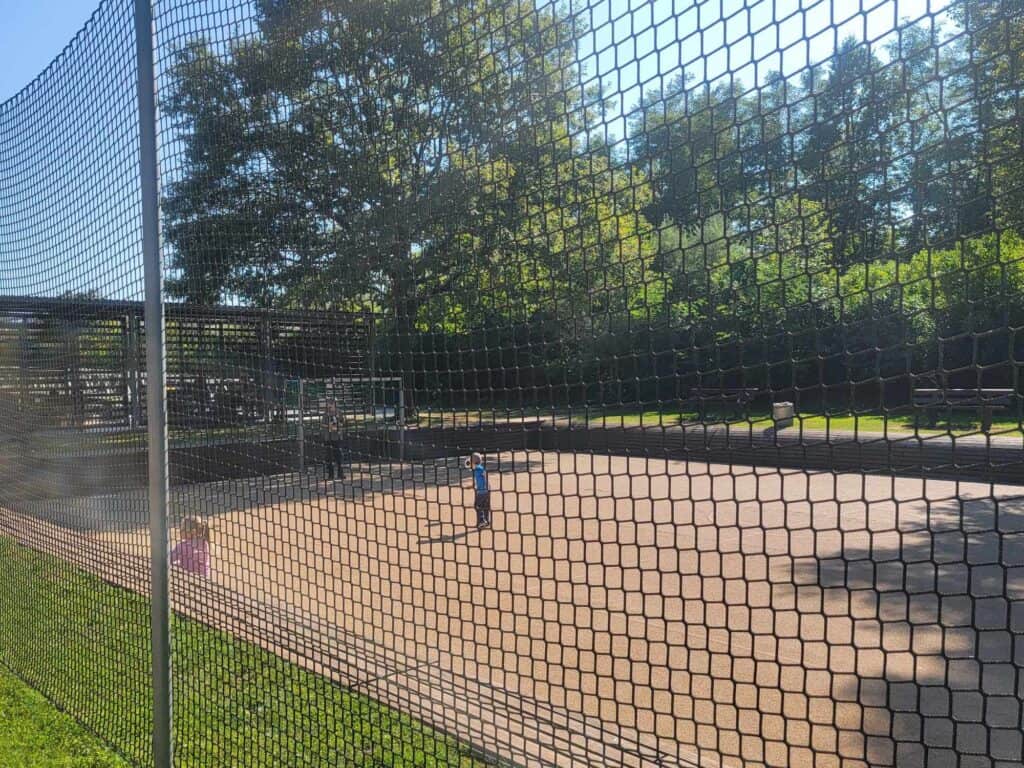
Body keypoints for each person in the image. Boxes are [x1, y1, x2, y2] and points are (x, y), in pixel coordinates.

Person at [466, 452, 491, 528]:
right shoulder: (480, 468)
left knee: (477, 506)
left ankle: (482, 520)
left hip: (481, 492)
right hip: (487, 491)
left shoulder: (477, 469)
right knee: (485, 506)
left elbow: (480, 477)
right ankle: (486, 521)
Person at [321, 399, 345, 480]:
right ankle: (330, 475)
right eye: (328, 404)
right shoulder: (326, 413)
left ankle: (340, 474)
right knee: (329, 457)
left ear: (334, 404)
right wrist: (329, 426)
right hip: (328, 437)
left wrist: (338, 425)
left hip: (337, 437)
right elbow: (323, 424)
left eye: (331, 404)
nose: (329, 406)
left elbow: (342, 422)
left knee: (339, 456)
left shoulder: (339, 412)